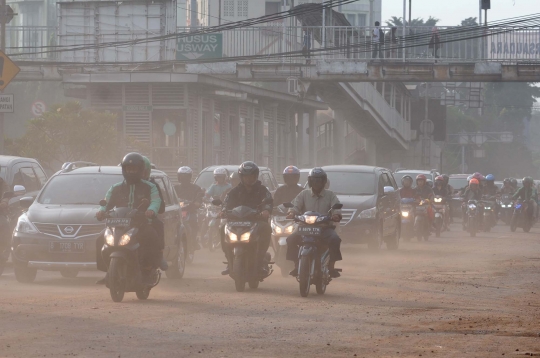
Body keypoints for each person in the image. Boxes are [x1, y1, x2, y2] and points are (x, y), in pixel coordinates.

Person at [95, 153, 162, 285]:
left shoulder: (150, 187)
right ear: (124, 170)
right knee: (99, 239)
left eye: (134, 169)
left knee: (152, 237)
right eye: (128, 169)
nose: (131, 172)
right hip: (118, 225)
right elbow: (106, 203)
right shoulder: (115, 188)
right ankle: (108, 271)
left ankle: (149, 269)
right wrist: (101, 212)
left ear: (141, 170)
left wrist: (151, 210)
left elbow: (156, 201)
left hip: (141, 224)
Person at [285, 168, 342, 278]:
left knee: (335, 239)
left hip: (324, 227)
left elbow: (336, 207)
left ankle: (331, 266)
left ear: (324, 181)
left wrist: (336, 214)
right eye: (314, 180)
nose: (317, 183)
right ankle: (297, 265)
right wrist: (291, 212)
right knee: (290, 239)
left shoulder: (330, 195)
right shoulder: (303, 194)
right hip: (304, 227)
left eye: (319, 180)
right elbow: (295, 206)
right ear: (310, 181)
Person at [221, 162, 273, 276]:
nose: (248, 179)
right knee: (222, 228)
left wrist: (266, 210)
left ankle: (260, 260)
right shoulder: (234, 191)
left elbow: (269, 202)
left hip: (256, 222)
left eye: (251, 176)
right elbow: (226, 203)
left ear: (256, 176)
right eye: (246, 176)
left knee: (266, 228)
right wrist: (223, 211)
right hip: (236, 222)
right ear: (241, 177)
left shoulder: (262, 190)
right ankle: (230, 261)